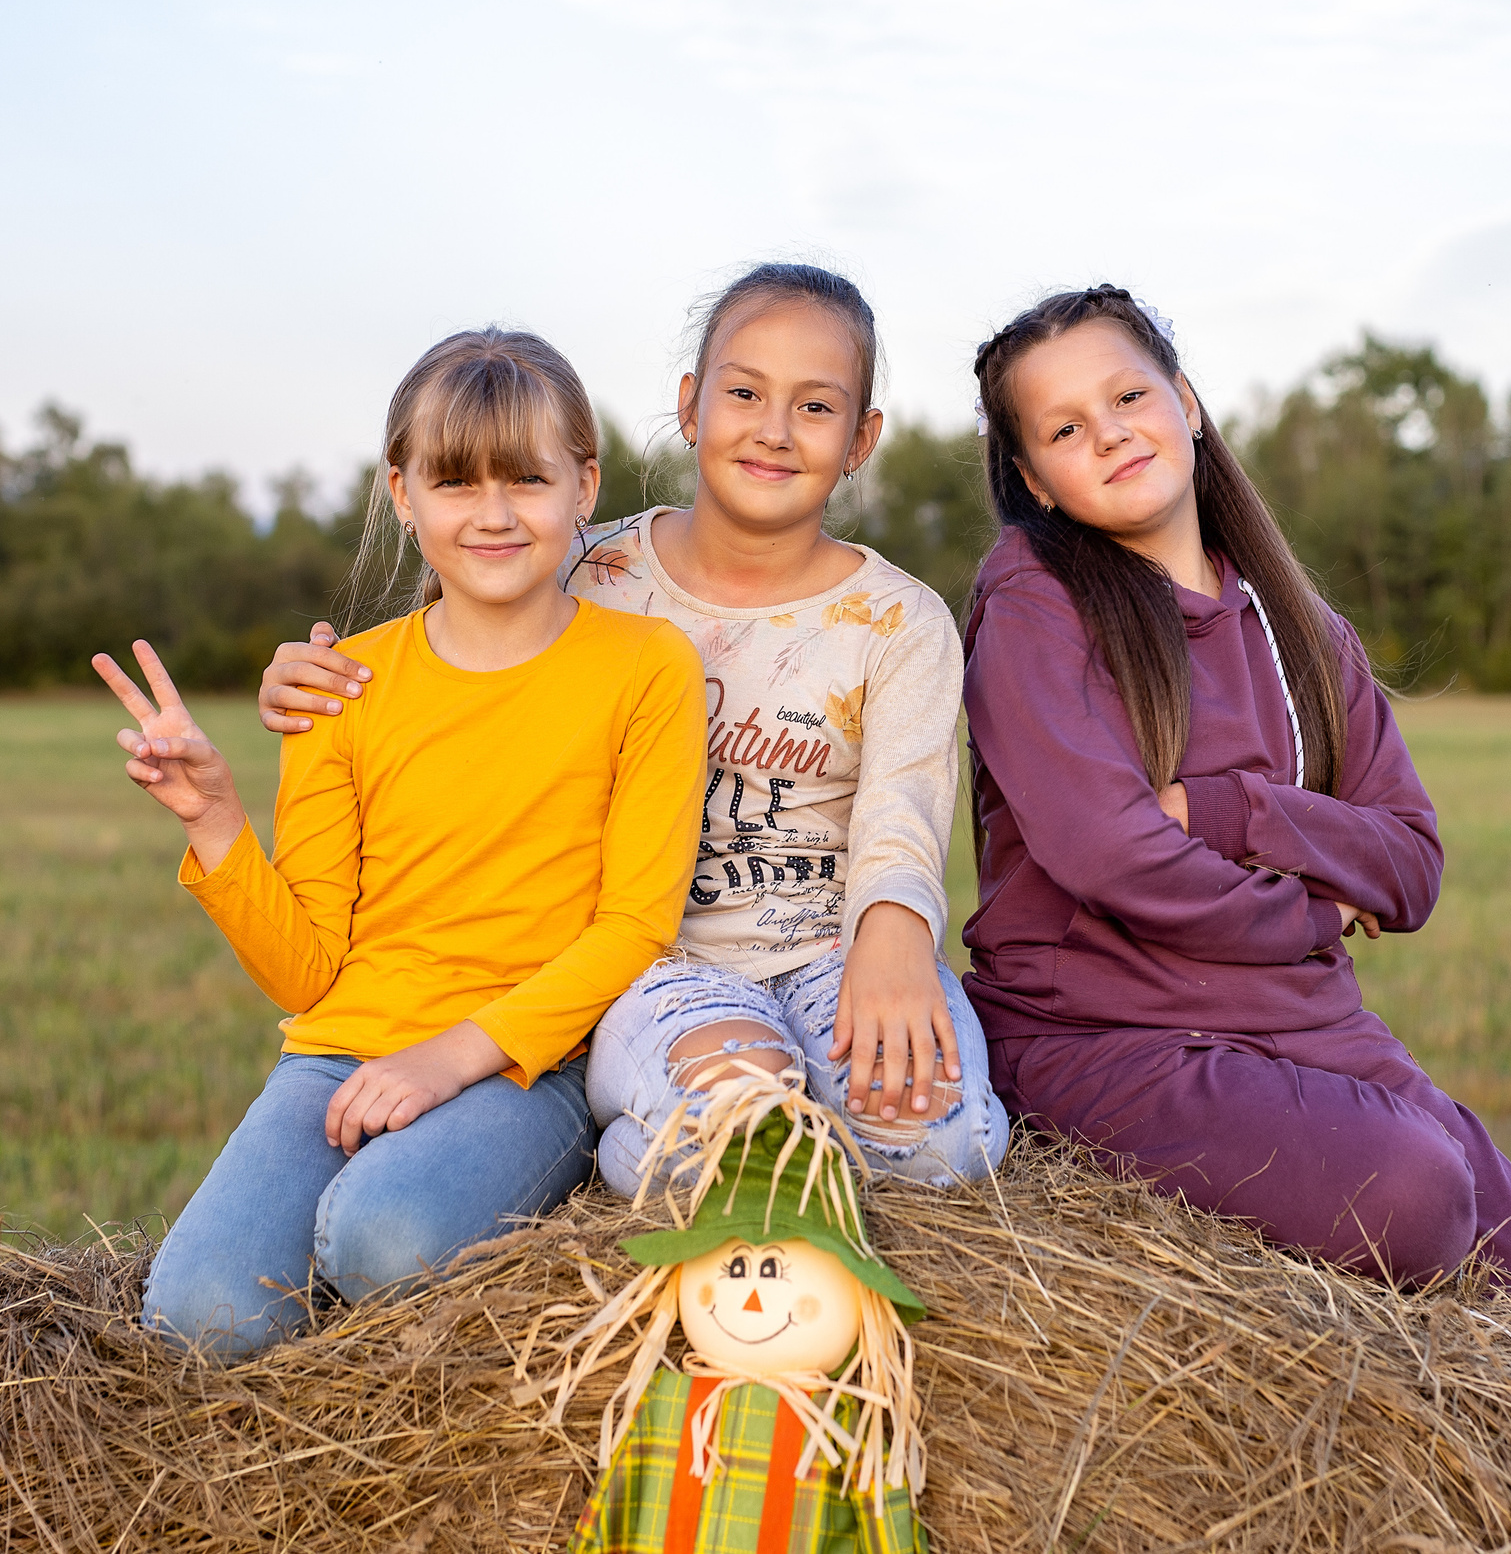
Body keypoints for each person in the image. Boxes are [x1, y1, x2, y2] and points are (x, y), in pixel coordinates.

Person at [960, 285, 1511, 1365]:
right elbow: (1108, 851)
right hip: (1103, 1038)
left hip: (1312, 1027)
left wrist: (1237, 809)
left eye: (1129, 394)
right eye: (1065, 428)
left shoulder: (1302, 631)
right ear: (1036, 478)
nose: (1112, 433)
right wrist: (1312, 907)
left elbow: (1409, 863)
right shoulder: (1034, 598)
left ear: (1184, 399)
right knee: (1414, 1193)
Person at [259, 264, 1009, 1196]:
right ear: (691, 404)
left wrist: (893, 937)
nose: (773, 429)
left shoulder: (900, 620)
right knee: (740, 1136)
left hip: (834, 948)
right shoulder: (587, 566)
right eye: (744, 393)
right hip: (654, 964)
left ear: (861, 439)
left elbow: (904, 811)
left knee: (946, 1148)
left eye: (815, 408)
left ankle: (804, 1121)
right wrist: (314, 677)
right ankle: (619, 1153)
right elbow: (454, 645)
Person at [93, 328, 706, 1358]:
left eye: (527, 477)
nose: (496, 512)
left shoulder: (647, 668)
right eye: (455, 481)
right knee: (200, 1322)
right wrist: (215, 822)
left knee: (385, 1240)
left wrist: (446, 1061)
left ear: (583, 482)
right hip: (339, 1058)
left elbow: (635, 922)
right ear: (401, 493)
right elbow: (308, 973)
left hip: (527, 1063)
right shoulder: (343, 689)